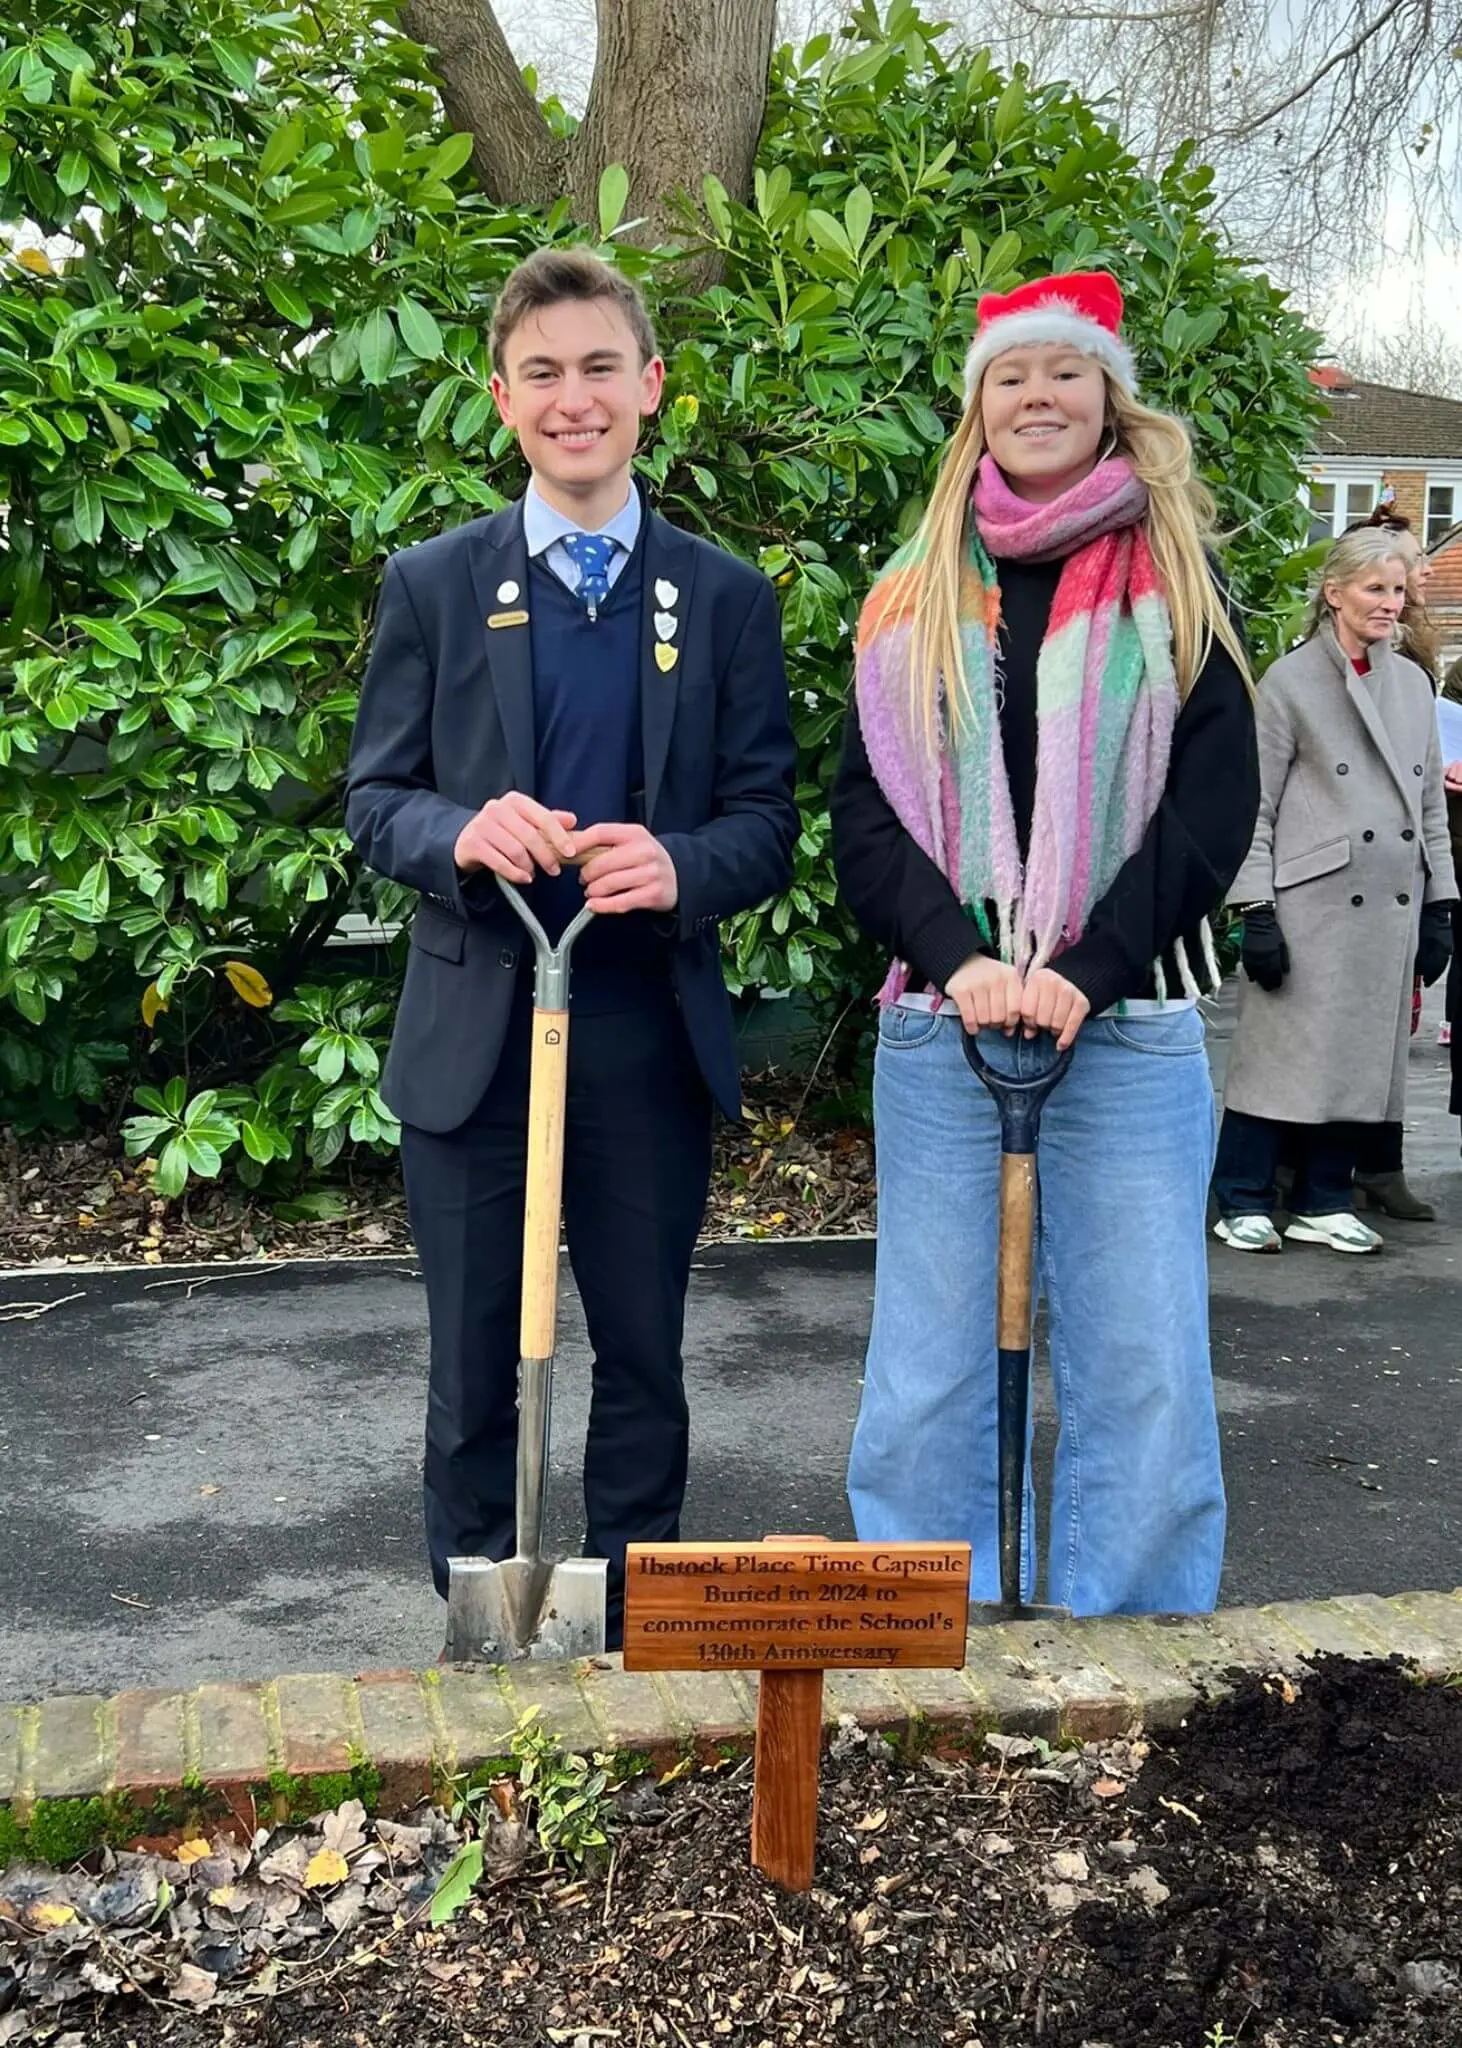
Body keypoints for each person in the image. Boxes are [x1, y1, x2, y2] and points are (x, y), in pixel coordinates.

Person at [345, 248, 798, 1650]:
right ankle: (480, 1636)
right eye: (541, 372)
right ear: (502, 399)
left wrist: (678, 865)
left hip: (641, 1035)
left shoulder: (721, 598)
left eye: (600, 365)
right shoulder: (433, 584)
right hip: (477, 1037)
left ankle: (630, 1622)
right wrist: (459, 833)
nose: (573, 396)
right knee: (474, 1358)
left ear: (650, 386)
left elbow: (764, 821)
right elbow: (374, 800)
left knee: (645, 1360)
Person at [831, 270, 1257, 1615]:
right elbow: (863, 815)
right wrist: (959, 959)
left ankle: (1127, 1639)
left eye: (1062, 374)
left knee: (1141, 1356)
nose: (1035, 396)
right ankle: (918, 1623)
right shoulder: (907, 602)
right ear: (976, 410)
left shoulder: (1176, 582)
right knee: (927, 1362)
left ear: (1108, 397)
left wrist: (1083, 970)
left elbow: (1210, 809)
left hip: (1125, 1026)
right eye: (1009, 377)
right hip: (943, 1026)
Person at [1212, 527, 1456, 1254]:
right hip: (1309, 903)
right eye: (1375, 589)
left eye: (1398, 590)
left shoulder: (1414, 684)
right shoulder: (1290, 683)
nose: (1391, 603)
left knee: (1359, 1059)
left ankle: (1324, 1196)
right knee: (1281, 1061)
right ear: (1334, 593)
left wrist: (1443, 902)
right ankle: (1242, 1196)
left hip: (1390, 906)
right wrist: (1256, 907)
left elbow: (1430, 807)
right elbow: (1251, 803)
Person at [1348, 513, 1442, 1218]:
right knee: (1330, 1029)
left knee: (1390, 1023)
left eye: (1406, 579)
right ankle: (1307, 1166)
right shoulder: (1330, 654)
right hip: (1346, 871)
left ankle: (1380, 1159)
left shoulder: (1418, 655)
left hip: (1405, 866)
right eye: (1398, 573)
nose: (1412, 584)